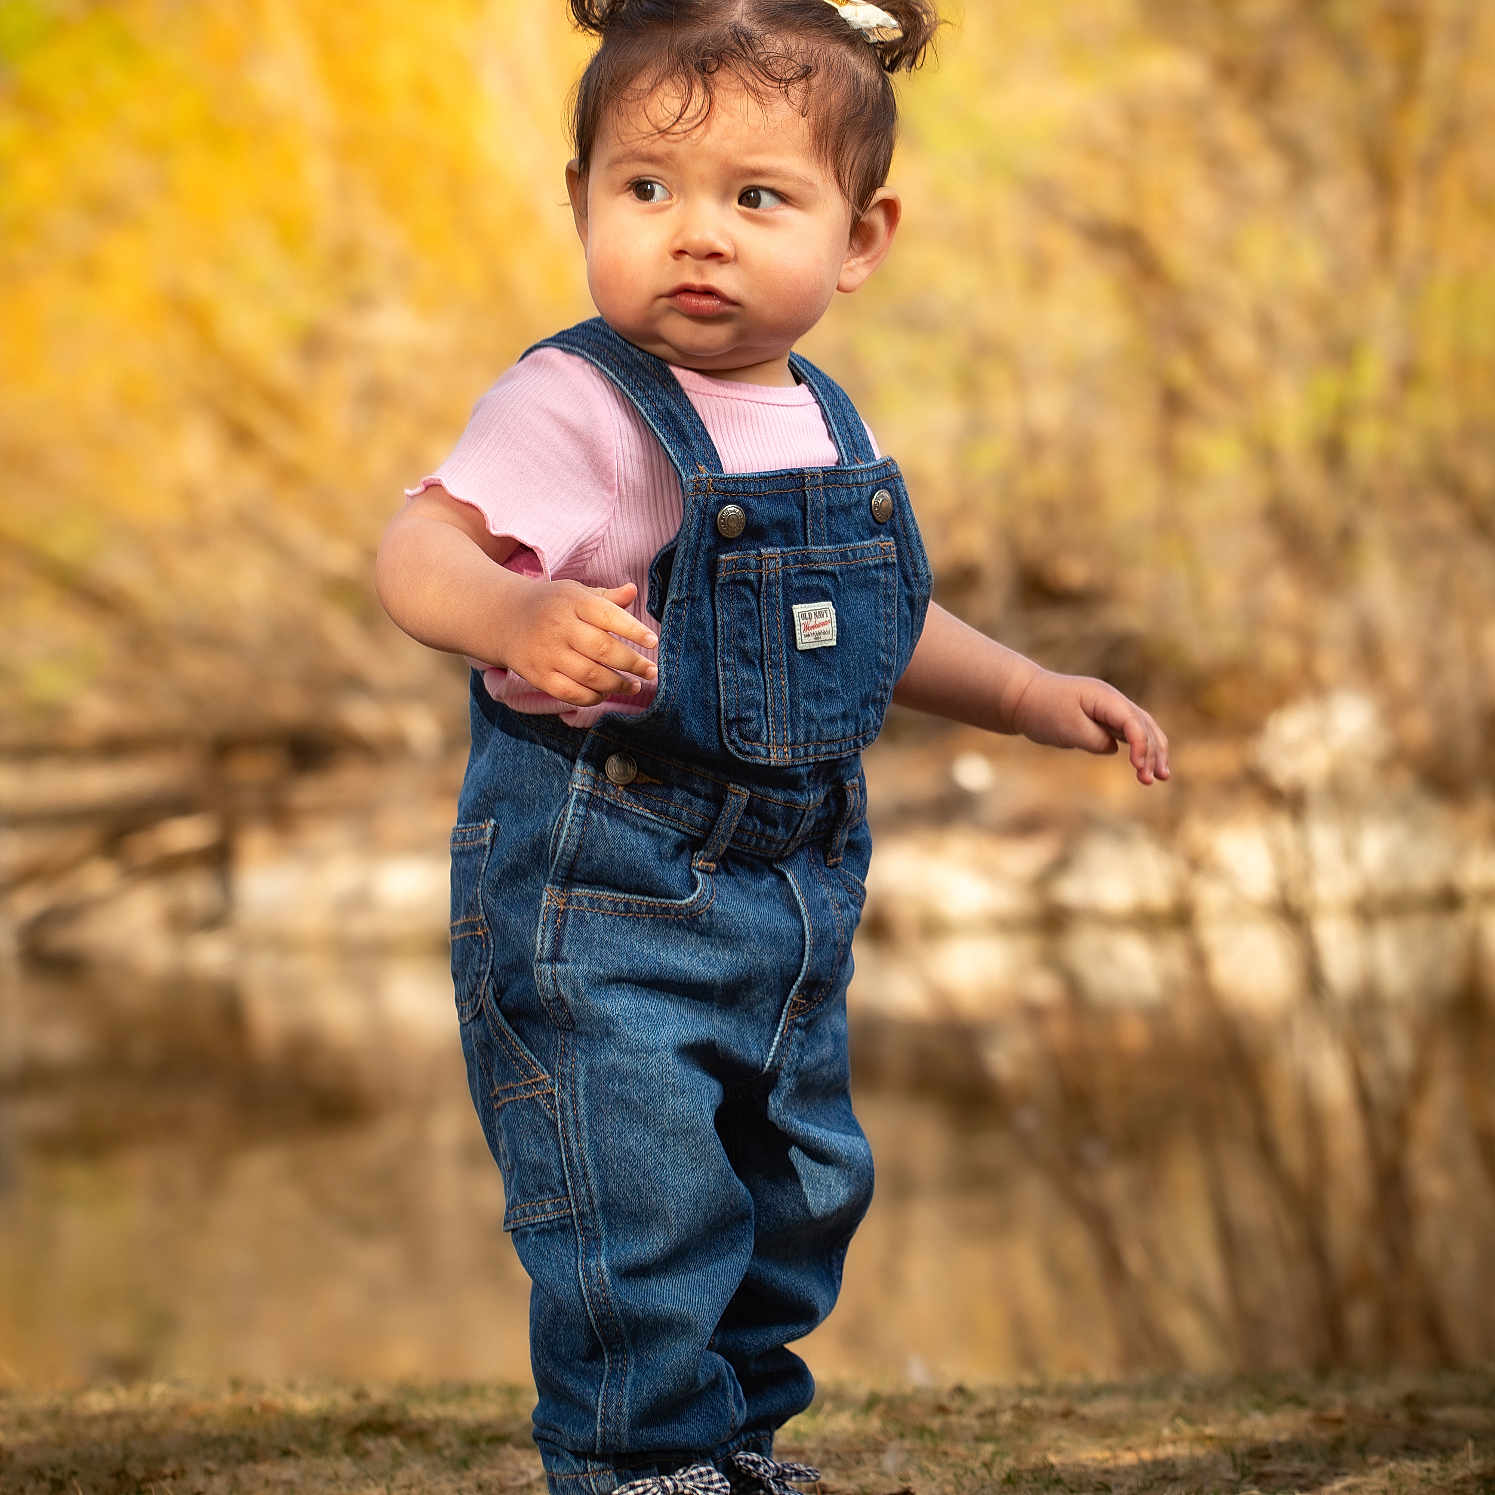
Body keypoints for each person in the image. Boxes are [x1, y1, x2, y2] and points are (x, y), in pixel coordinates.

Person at [375, 1, 1170, 1491]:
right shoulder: (581, 404)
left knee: (795, 1191)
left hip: (791, 903)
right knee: (642, 1193)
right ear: (581, 201)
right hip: (597, 894)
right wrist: (514, 610)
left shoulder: (815, 419)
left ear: (858, 238)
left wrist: (1031, 691)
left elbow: (882, 629)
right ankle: (642, 1463)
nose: (698, 235)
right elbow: (417, 550)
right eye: (648, 189)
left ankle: (735, 1448)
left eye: (757, 198)